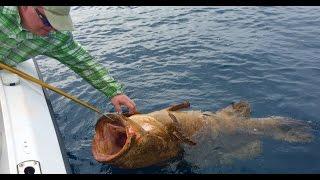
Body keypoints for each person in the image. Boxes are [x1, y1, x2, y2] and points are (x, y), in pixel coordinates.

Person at [0, 6, 137, 114]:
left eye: (58, 24)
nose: (53, 29)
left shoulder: (56, 36)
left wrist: (114, 92)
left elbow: (83, 62)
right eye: (48, 21)